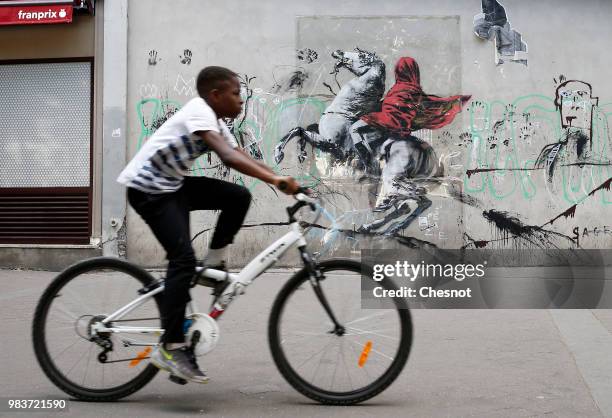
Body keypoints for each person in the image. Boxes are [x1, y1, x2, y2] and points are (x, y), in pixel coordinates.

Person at [117, 66, 299, 383]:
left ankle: (213, 266)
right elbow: (228, 157)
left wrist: (287, 184)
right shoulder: (199, 111)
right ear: (215, 95)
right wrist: (275, 179)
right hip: (148, 191)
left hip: (173, 187)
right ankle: (171, 347)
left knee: (238, 196)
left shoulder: (216, 121)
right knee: (182, 259)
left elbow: (241, 154)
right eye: (236, 94)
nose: (241, 100)